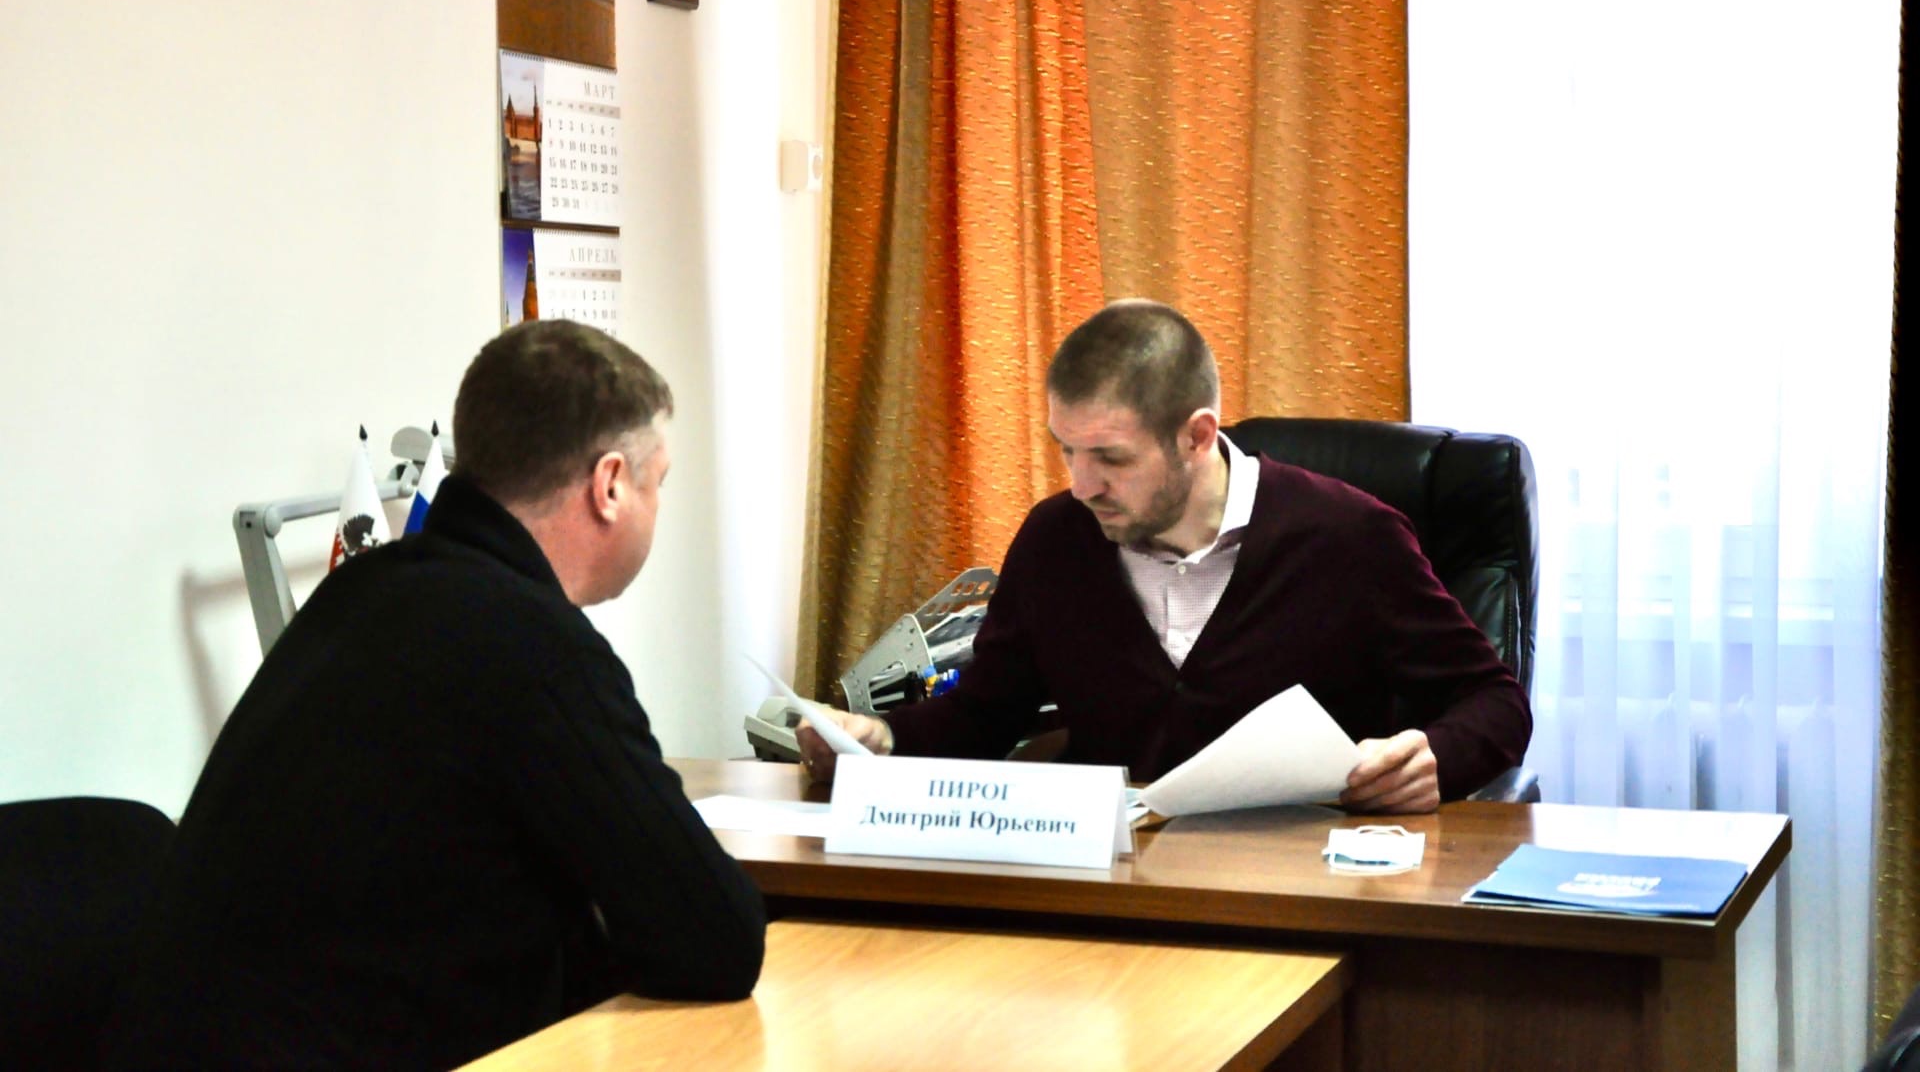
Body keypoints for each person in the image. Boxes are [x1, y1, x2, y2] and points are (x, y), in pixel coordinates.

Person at [105, 321, 765, 1070]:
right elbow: (715, 939)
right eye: (658, 481)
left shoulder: (360, 590)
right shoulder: (532, 644)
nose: (658, 502)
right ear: (610, 484)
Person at [798, 300, 1531, 813]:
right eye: (1067, 450)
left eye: (1111, 458)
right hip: (1110, 880)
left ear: (1196, 436)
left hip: (1299, 882)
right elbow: (987, 713)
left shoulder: (1350, 537)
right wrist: (881, 738)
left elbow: (1495, 703)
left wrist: (1435, 755)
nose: (1082, 485)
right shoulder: (1057, 539)